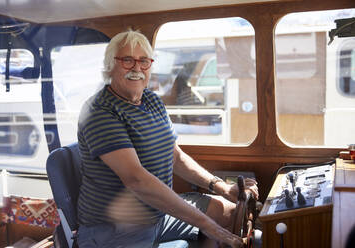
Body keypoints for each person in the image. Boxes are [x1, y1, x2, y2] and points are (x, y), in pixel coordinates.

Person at [76, 29, 258, 248]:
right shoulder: (99, 111)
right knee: (212, 227)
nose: (137, 68)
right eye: (127, 60)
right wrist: (207, 225)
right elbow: (137, 180)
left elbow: (176, 157)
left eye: (144, 61)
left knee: (229, 212)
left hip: (158, 215)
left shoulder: (152, 101)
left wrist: (221, 187)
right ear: (110, 65)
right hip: (115, 229)